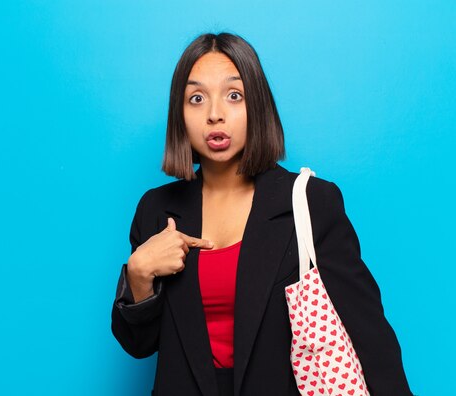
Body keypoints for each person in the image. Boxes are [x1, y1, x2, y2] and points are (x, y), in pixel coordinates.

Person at [111, 32, 413, 396]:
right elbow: (138, 345)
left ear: (258, 105)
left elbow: (369, 334)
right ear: (180, 114)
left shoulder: (310, 203)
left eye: (234, 95)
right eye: (196, 98)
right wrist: (139, 275)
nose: (215, 114)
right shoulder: (156, 210)